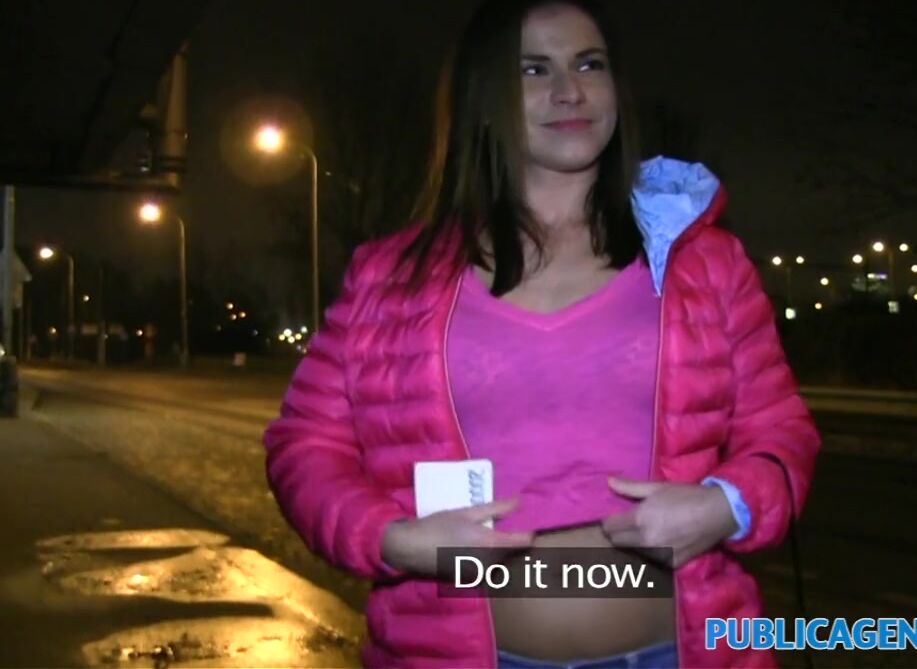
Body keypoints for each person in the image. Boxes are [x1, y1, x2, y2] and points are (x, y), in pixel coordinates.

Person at [263, 0, 821, 667]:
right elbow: (305, 447)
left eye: (589, 64)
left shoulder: (707, 265)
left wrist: (726, 507)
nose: (569, 90)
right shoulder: (387, 278)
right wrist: (392, 540)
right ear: (483, 99)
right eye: (533, 69)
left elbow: (781, 432)